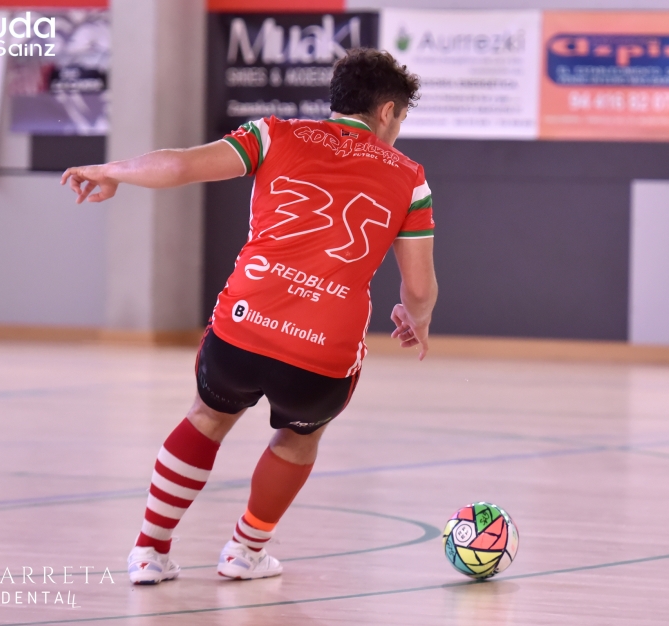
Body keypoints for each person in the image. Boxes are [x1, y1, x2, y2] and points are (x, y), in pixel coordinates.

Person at [61, 49, 437, 583]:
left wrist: (109, 170)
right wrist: (416, 318)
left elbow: (179, 165)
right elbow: (418, 288)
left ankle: (148, 551)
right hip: (322, 350)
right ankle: (245, 551)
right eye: (400, 119)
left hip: (244, 325)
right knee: (298, 439)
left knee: (206, 417)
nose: (397, 131)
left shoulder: (274, 134)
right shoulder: (410, 178)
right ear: (387, 111)